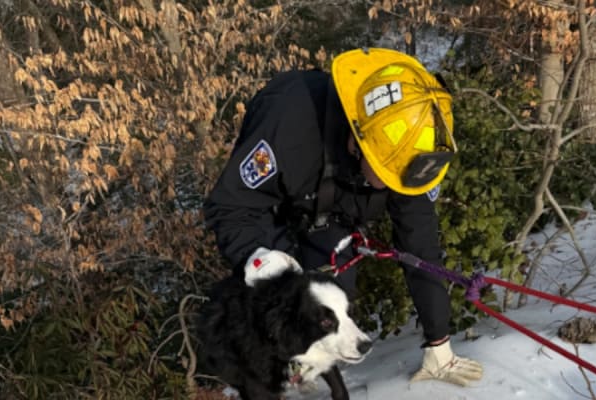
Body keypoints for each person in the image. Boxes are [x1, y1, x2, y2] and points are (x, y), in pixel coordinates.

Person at [204, 47, 483, 387]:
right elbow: (233, 206)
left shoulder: (414, 146)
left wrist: (439, 341)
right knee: (282, 304)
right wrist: (264, 263)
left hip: (335, 211)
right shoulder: (287, 125)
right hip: (273, 208)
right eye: (386, 174)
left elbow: (420, 246)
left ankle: (311, 372)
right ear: (357, 140)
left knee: (334, 295)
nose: (394, 186)